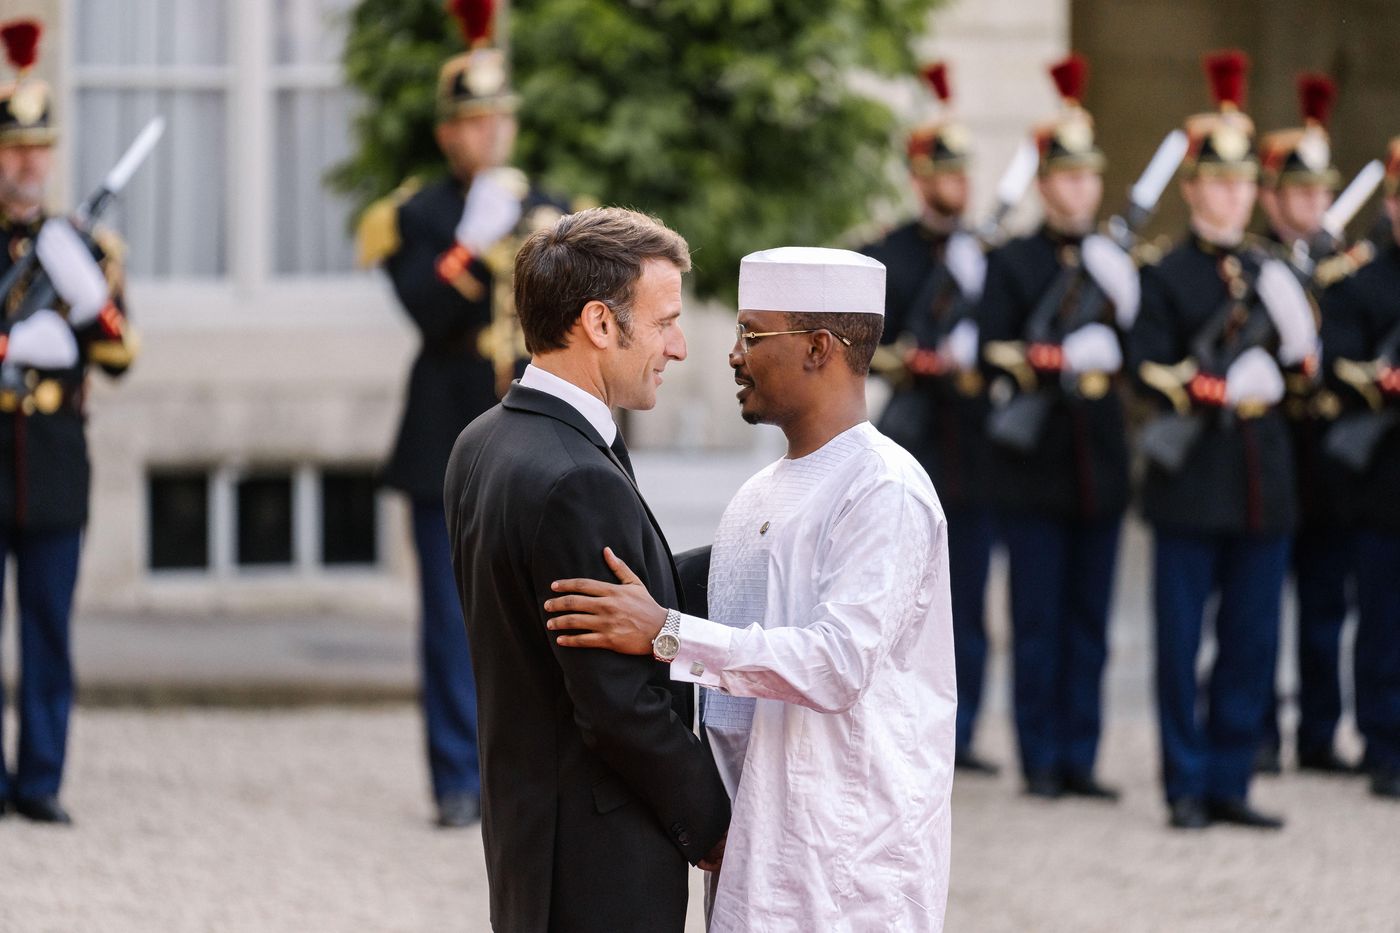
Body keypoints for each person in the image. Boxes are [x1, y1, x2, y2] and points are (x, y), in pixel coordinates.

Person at [545, 247, 956, 931]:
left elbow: (837, 665)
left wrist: (667, 632)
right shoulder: (759, 492)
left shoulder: (882, 488)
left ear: (819, 347)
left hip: (850, 872)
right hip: (751, 858)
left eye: (752, 335)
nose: (732, 355)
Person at [444, 207, 729, 932]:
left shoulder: (485, 440)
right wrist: (716, 824)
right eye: (664, 320)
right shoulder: (576, 476)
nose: (680, 345)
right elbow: (617, 705)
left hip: (530, 839)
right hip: (599, 867)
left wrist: (759, 555)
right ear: (600, 324)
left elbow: (611, 595)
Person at [355, 0, 565, 828]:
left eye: (498, 119)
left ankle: (530, 773)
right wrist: (470, 243)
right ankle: (454, 777)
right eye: (472, 123)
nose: (489, 135)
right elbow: (424, 311)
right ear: (448, 134)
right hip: (445, 434)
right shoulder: (417, 215)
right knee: (451, 619)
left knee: (544, 616)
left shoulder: (552, 205)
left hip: (537, 441)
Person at [1129, 50, 1316, 830]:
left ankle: (1232, 775)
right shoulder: (1168, 274)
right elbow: (1147, 369)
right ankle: (1185, 781)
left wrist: (1290, 363)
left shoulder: (1272, 270)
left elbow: (1304, 367)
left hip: (1260, 479)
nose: (1235, 195)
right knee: (1180, 643)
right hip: (1192, 477)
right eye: (1221, 181)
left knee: (1251, 640)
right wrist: (1213, 385)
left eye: (1246, 183)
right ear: (1194, 187)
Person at [976, 54, 1137, 801]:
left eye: (1089, 176)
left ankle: (1081, 753)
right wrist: (1052, 356)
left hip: (1098, 462)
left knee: (1090, 625)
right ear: (1044, 184)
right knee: (1038, 621)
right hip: (1035, 465)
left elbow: (1144, 348)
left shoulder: (1117, 261)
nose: (1081, 188)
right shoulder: (1013, 263)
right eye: (1068, 177)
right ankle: (1041, 756)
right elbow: (992, 349)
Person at [0, 19, 137, 824]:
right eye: (16, 147)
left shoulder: (87, 245)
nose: (28, 162)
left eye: (40, 148)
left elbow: (122, 357)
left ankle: (42, 778)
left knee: (48, 629)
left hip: (52, 460)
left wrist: (89, 299)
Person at [861, 61, 998, 774]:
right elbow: (864, 347)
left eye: (963, 172)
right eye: (945, 173)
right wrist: (914, 356)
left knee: (968, 602)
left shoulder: (986, 255)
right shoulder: (884, 255)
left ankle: (962, 730)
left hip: (973, 447)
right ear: (919, 177)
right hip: (911, 438)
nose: (959, 184)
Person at [1254, 73, 1360, 776]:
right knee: (1258, 602)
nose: (1313, 204)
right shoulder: (1253, 263)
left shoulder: (1344, 264)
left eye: (1321, 193)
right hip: (1269, 443)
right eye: (1299, 192)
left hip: (1327, 452)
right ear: (1271, 196)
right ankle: (1255, 729)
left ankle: (1320, 731)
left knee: (1327, 598)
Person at [1316, 137, 1400, 801]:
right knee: (1382, 618)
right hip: (1386, 480)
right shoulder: (1362, 281)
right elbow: (1338, 364)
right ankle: (1383, 740)